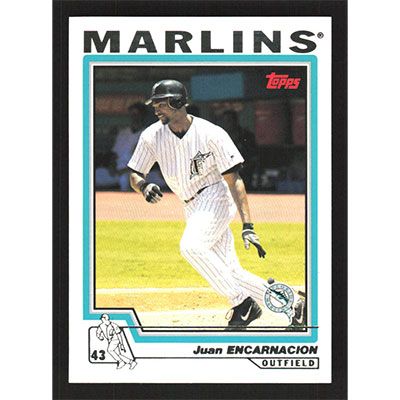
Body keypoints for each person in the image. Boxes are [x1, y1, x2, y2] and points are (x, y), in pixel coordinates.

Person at [127, 79, 305, 330]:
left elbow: (234, 180)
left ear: (177, 102)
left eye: (161, 103)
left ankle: (242, 304)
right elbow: (135, 174)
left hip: (215, 196)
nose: (155, 109)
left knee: (191, 246)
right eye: (154, 104)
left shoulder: (211, 133)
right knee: (231, 272)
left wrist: (248, 225)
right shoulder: (152, 136)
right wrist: (144, 186)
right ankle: (294, 305)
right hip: (190, 205)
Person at [112, 102, 149, 191]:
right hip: (118, 169)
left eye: (137, 114)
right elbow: (114, 154)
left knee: (125, 179)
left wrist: (124, 170)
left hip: (135, 171)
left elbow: (143, 162)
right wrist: (112, 167)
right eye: (132, 114)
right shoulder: (123, 133)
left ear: (142, 116)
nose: (134, 117)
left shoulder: (147, 134)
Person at [219, 110, 259, 189]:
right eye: (224, 121)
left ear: (235, 121)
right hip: (226, 175)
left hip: (246, 173)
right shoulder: (220, 138)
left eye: (229, 121)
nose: (226, 124)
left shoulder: (246, 136)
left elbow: (254, 157)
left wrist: (244, 168)